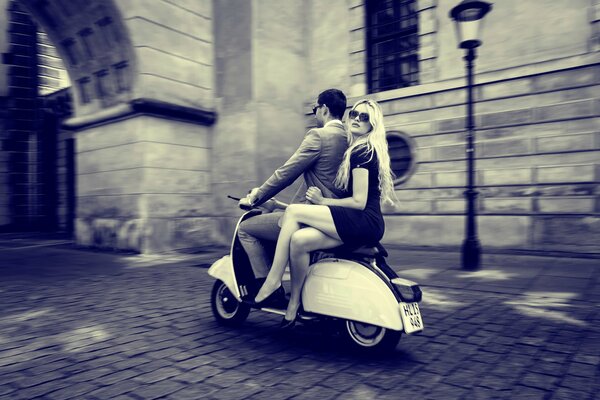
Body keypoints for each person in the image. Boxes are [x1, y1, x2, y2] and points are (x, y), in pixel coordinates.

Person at [254, 99, 397, 328]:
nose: (357, 119)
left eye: (365, 117)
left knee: (293, 211)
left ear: (373, 125)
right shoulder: (361, 148)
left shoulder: (362, 152)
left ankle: (273, 280)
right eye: (355, 115)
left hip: (362, 220)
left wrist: (322, 201)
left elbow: (359, 202)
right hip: (363, 223)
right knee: (300, 241)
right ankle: (295, 305)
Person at [238, 89, 349, 283]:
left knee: (246, 229)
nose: (315, 113)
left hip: (316, 216)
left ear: (323, 109)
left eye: (315, 108)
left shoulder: (319, 136)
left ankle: (267, 285)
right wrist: (278, 205)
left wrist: (256, 196)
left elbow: (286, 173)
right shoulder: (351, 138)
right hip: (341, 216)